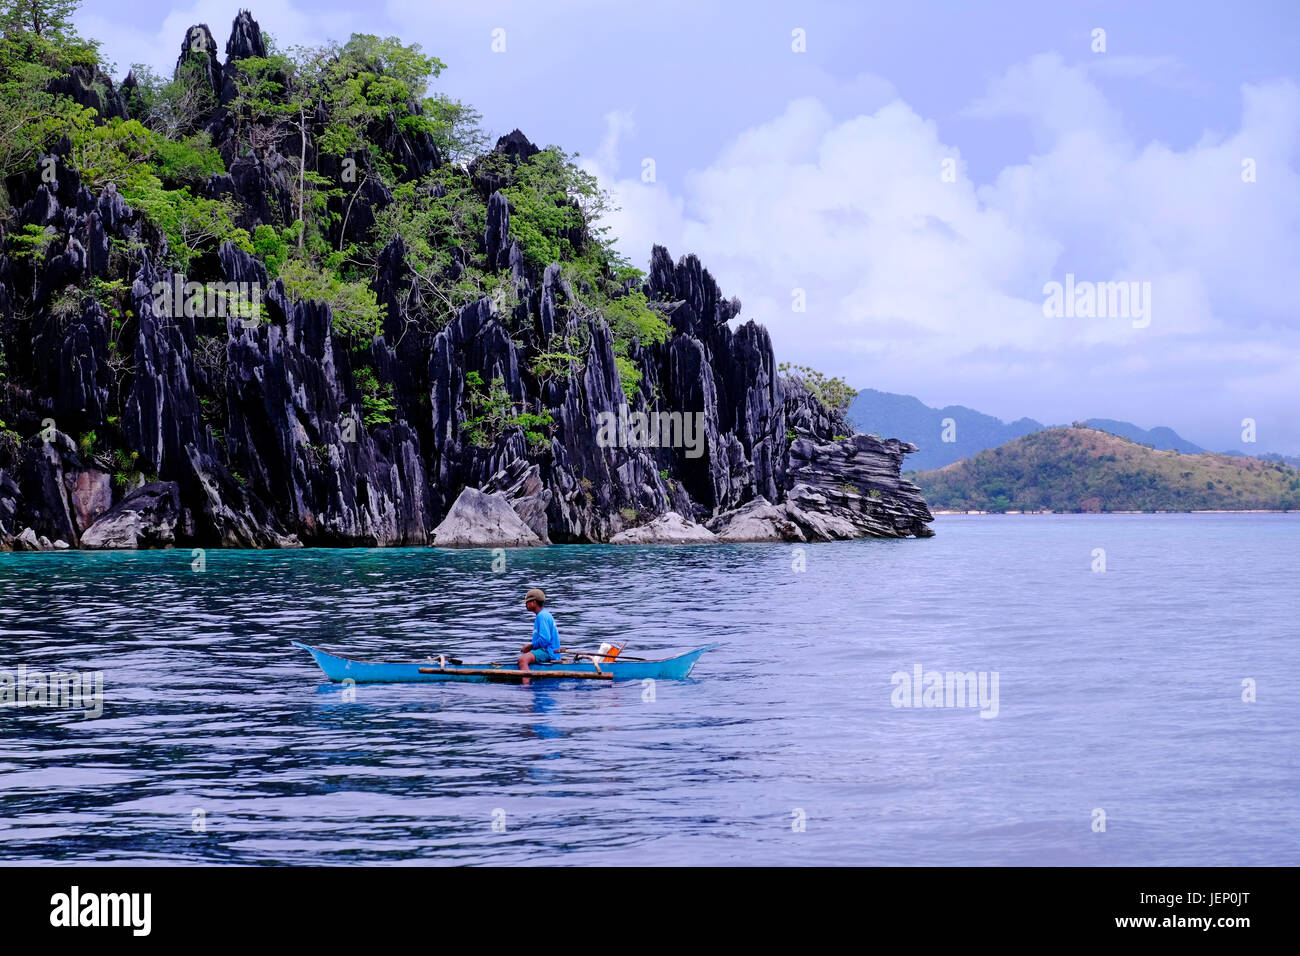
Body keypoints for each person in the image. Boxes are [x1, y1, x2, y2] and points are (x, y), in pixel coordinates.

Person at [519, 588, 561, 676]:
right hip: (547, 651)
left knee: (523, 659)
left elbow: (545, 640)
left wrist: (530, 646)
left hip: (548, 652)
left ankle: (525, 687)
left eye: (527, 602)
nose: (525, 605)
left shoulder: (542, 616)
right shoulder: (543, 614)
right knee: (526, 657)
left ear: (533, 602)